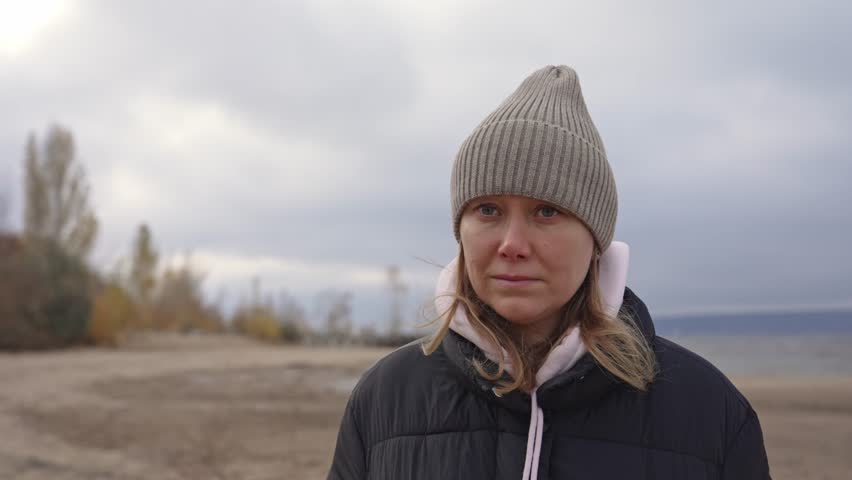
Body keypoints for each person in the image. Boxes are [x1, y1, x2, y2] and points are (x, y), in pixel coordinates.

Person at [327, 65, 771, 479]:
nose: (513, 245)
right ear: (460, 230)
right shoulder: (383, 401)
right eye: (488, 209)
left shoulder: (710, 412)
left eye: (546, 211)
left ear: (596, 239)